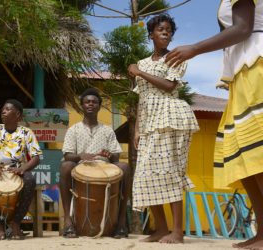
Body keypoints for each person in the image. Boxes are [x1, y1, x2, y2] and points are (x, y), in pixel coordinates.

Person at [165, 1, 263, 249]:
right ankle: (262, 231)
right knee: (245, 157)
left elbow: (242, 28)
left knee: (258, 153)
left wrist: (195, 48)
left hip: (256, 67)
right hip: (243, 71)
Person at [128, 14, 199, 244]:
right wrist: (137, 129)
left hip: (171, 118)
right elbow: (143, 98)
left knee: (170, 172)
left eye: (169, 30)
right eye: (161, 29)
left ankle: (177, 232)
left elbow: (169, 86)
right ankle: (160, 229)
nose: (166, 32)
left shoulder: (176, 58)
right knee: (146, 175)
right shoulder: (144, 62)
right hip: (150, 121)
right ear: (151, 34)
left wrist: (139, 73)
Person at [59, 88, 130, 239]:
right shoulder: (74, 130)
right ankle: (68, 221)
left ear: (99, 106)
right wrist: (80, 156)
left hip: (105, 167)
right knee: (65, 166)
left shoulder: (107, 130)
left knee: (124, 167)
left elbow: (116, 157)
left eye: (94, 102)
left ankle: (121, 222)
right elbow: (67, 155)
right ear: (82, 106)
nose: (91, 104)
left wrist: (110, 155)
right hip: (80, 167)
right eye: (87, 102)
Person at [0, 99, 42, 240]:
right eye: (3, 109)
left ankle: (16, 224)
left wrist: (23, 168)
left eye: (7, 109)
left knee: (30, 180)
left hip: (18, 170)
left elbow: (36, 157)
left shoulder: (26, 132)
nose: (3, 111)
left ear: (17, 114)